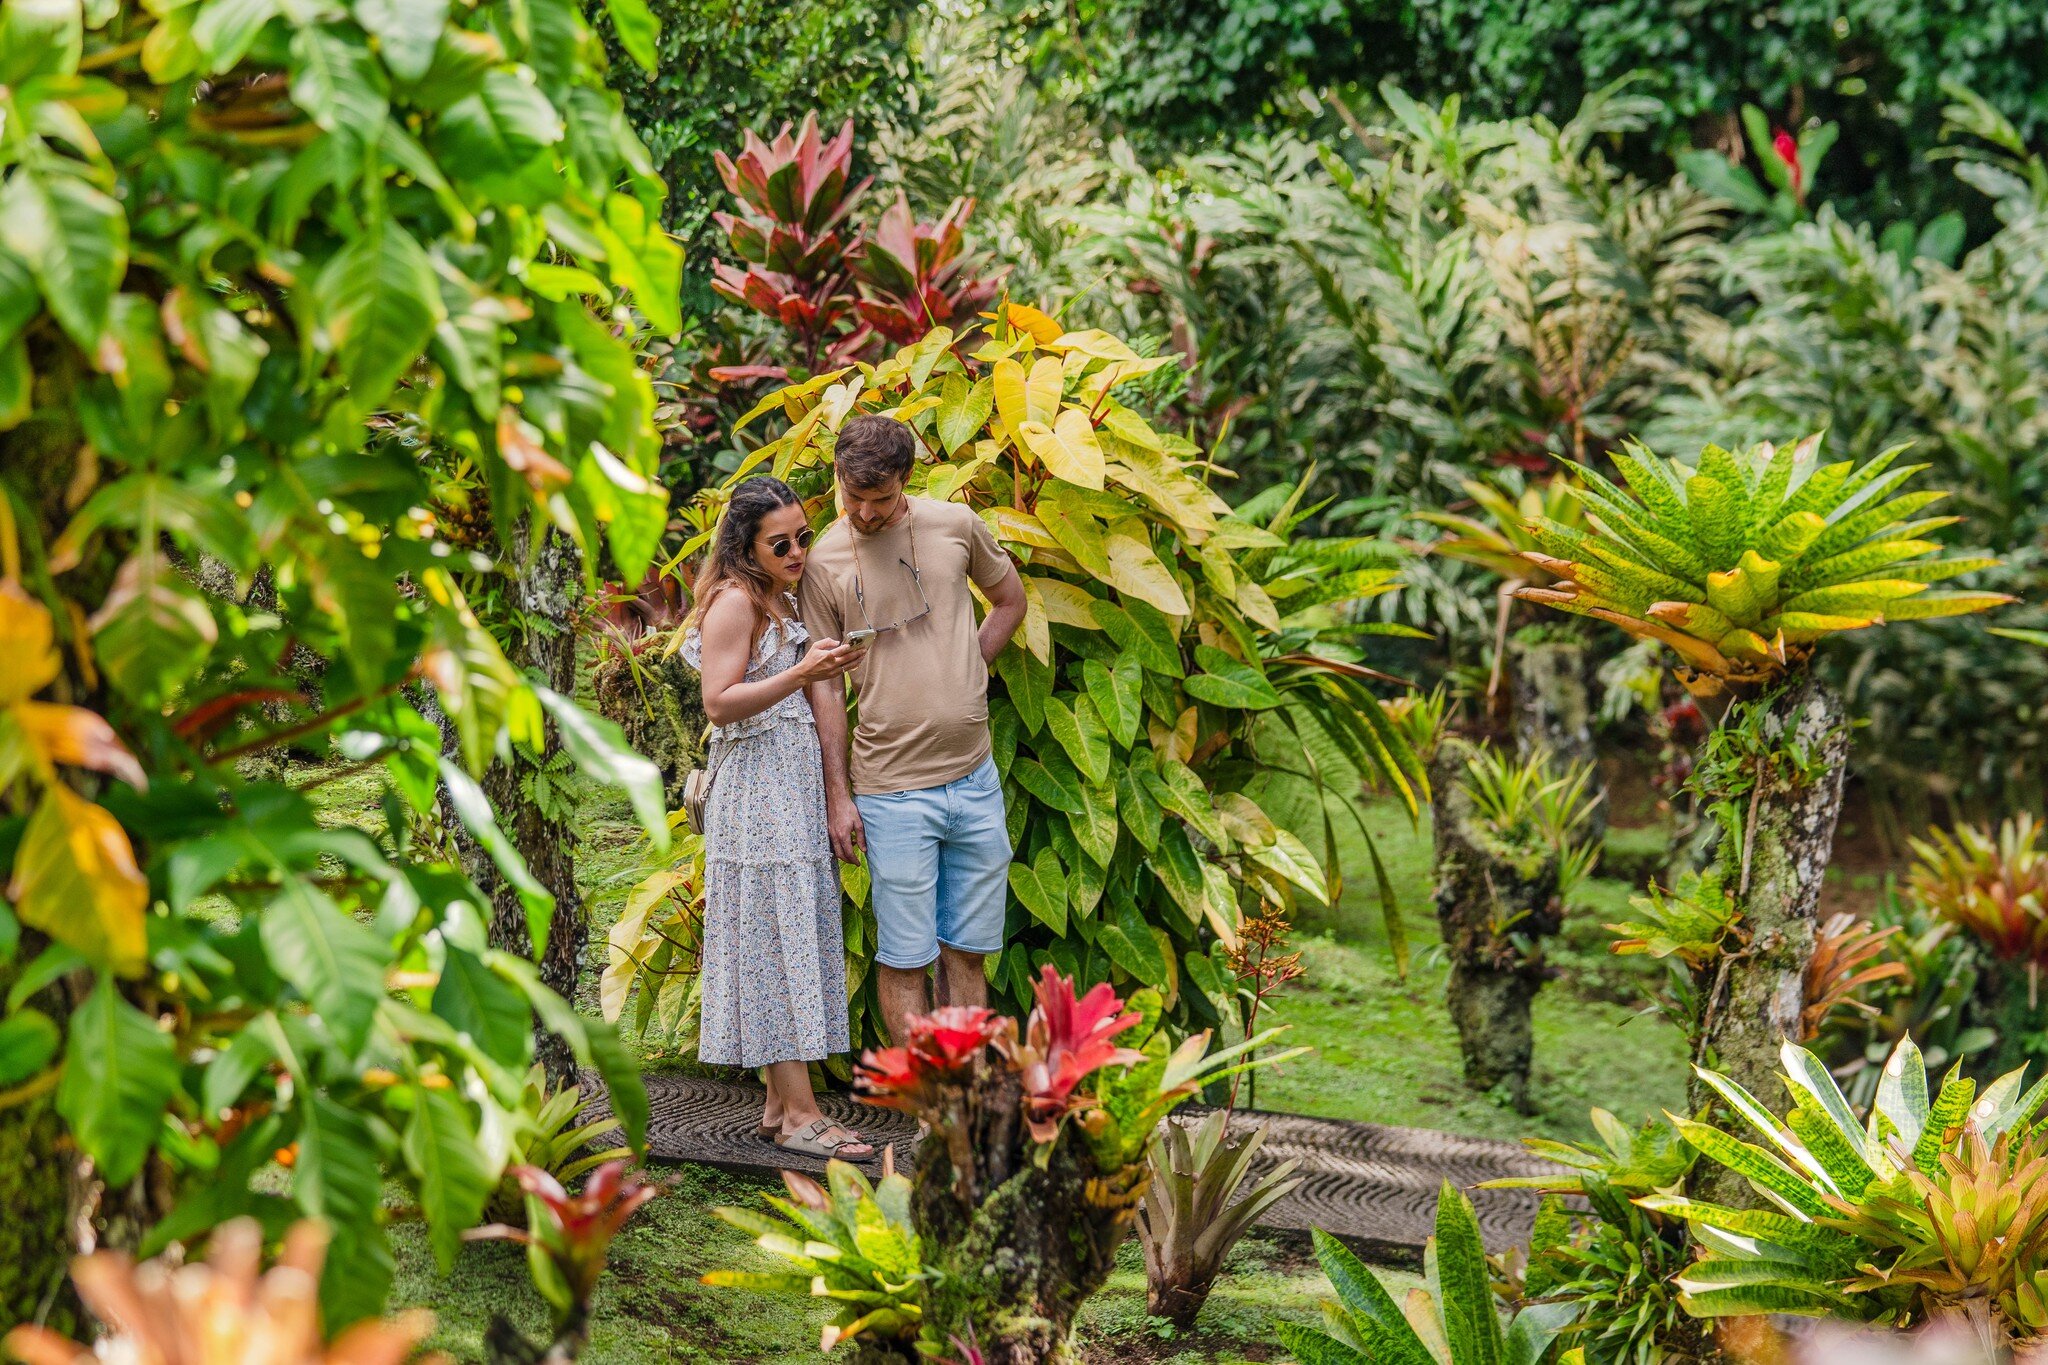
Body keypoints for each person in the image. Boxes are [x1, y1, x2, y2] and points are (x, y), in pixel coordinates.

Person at [799, 415, 1028, 1040]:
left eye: (882, 499)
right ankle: (929, 1114)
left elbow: (1011, 599)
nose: (867, 514)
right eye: (854, 498)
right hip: (890, 792)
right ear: (838, 479)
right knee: (906, 958)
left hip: (974, 779)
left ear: (907, 480)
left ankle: (966, 1113)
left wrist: (970, 667)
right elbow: (824, 682)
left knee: (968, 954)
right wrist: (838, 796)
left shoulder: (955, 526)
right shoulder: (823, 559)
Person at [680, 475, 874, 1159]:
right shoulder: (736, 602)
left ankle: (777, 1103)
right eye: (780, 542)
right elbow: (719, 702)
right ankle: (801, 1114)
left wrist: (834, 789)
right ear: (746, 544)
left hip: (790, 785)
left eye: (802, 536)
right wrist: (798, 673)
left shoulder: (785, 594)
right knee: (773, 936)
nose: (796, 549)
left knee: (786, 929)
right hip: (757, 789)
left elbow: (814, 693)